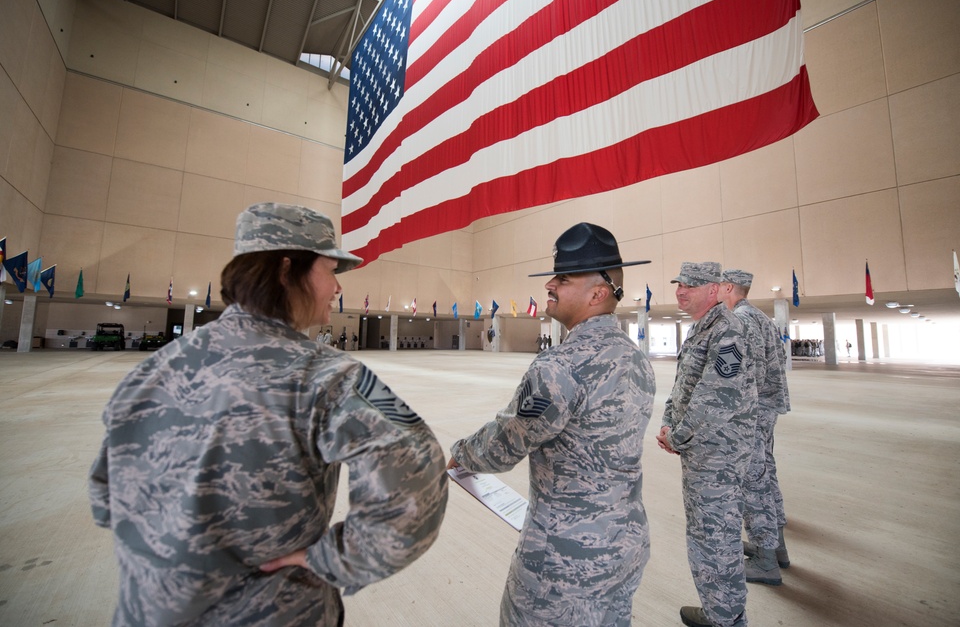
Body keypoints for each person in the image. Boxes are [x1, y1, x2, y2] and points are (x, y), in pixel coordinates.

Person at [88, 202, 448, 626]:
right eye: (330, 271)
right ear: (284, 271)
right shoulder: (324, 377)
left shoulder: (150, 371)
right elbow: (414, 493)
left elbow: (104, 500)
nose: (337, 289)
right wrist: (330, 560)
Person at [448, 222, 655, 626]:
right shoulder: (635, 357)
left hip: (565, 560)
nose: (550, 285)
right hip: (626, 542)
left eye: (562, 278)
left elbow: (504, 444)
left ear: (598, 293)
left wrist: (460, 454)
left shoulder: (560, 366)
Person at [656, 262, 755, 627]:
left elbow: (718, 395)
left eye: (691, 286)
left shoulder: (728, 330)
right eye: (679, 284)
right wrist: (669, 421)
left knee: (715, 537)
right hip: (703, 448)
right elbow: (685, 385)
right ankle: (719, 610)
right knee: (705, 532)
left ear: (715, 290)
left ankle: (726, 618)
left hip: (718, 453)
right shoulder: (702, 328)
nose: (681, 291)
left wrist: (679, 437)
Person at [718, 269, 791, 585]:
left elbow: (743, 374)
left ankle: (765, 560)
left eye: (718, 286)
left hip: (750, 414)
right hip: (765, 411)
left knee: (753, 483)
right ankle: (776, 550)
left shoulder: (741, 321)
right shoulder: (760, 318)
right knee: (766, 475)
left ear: (729, 287)